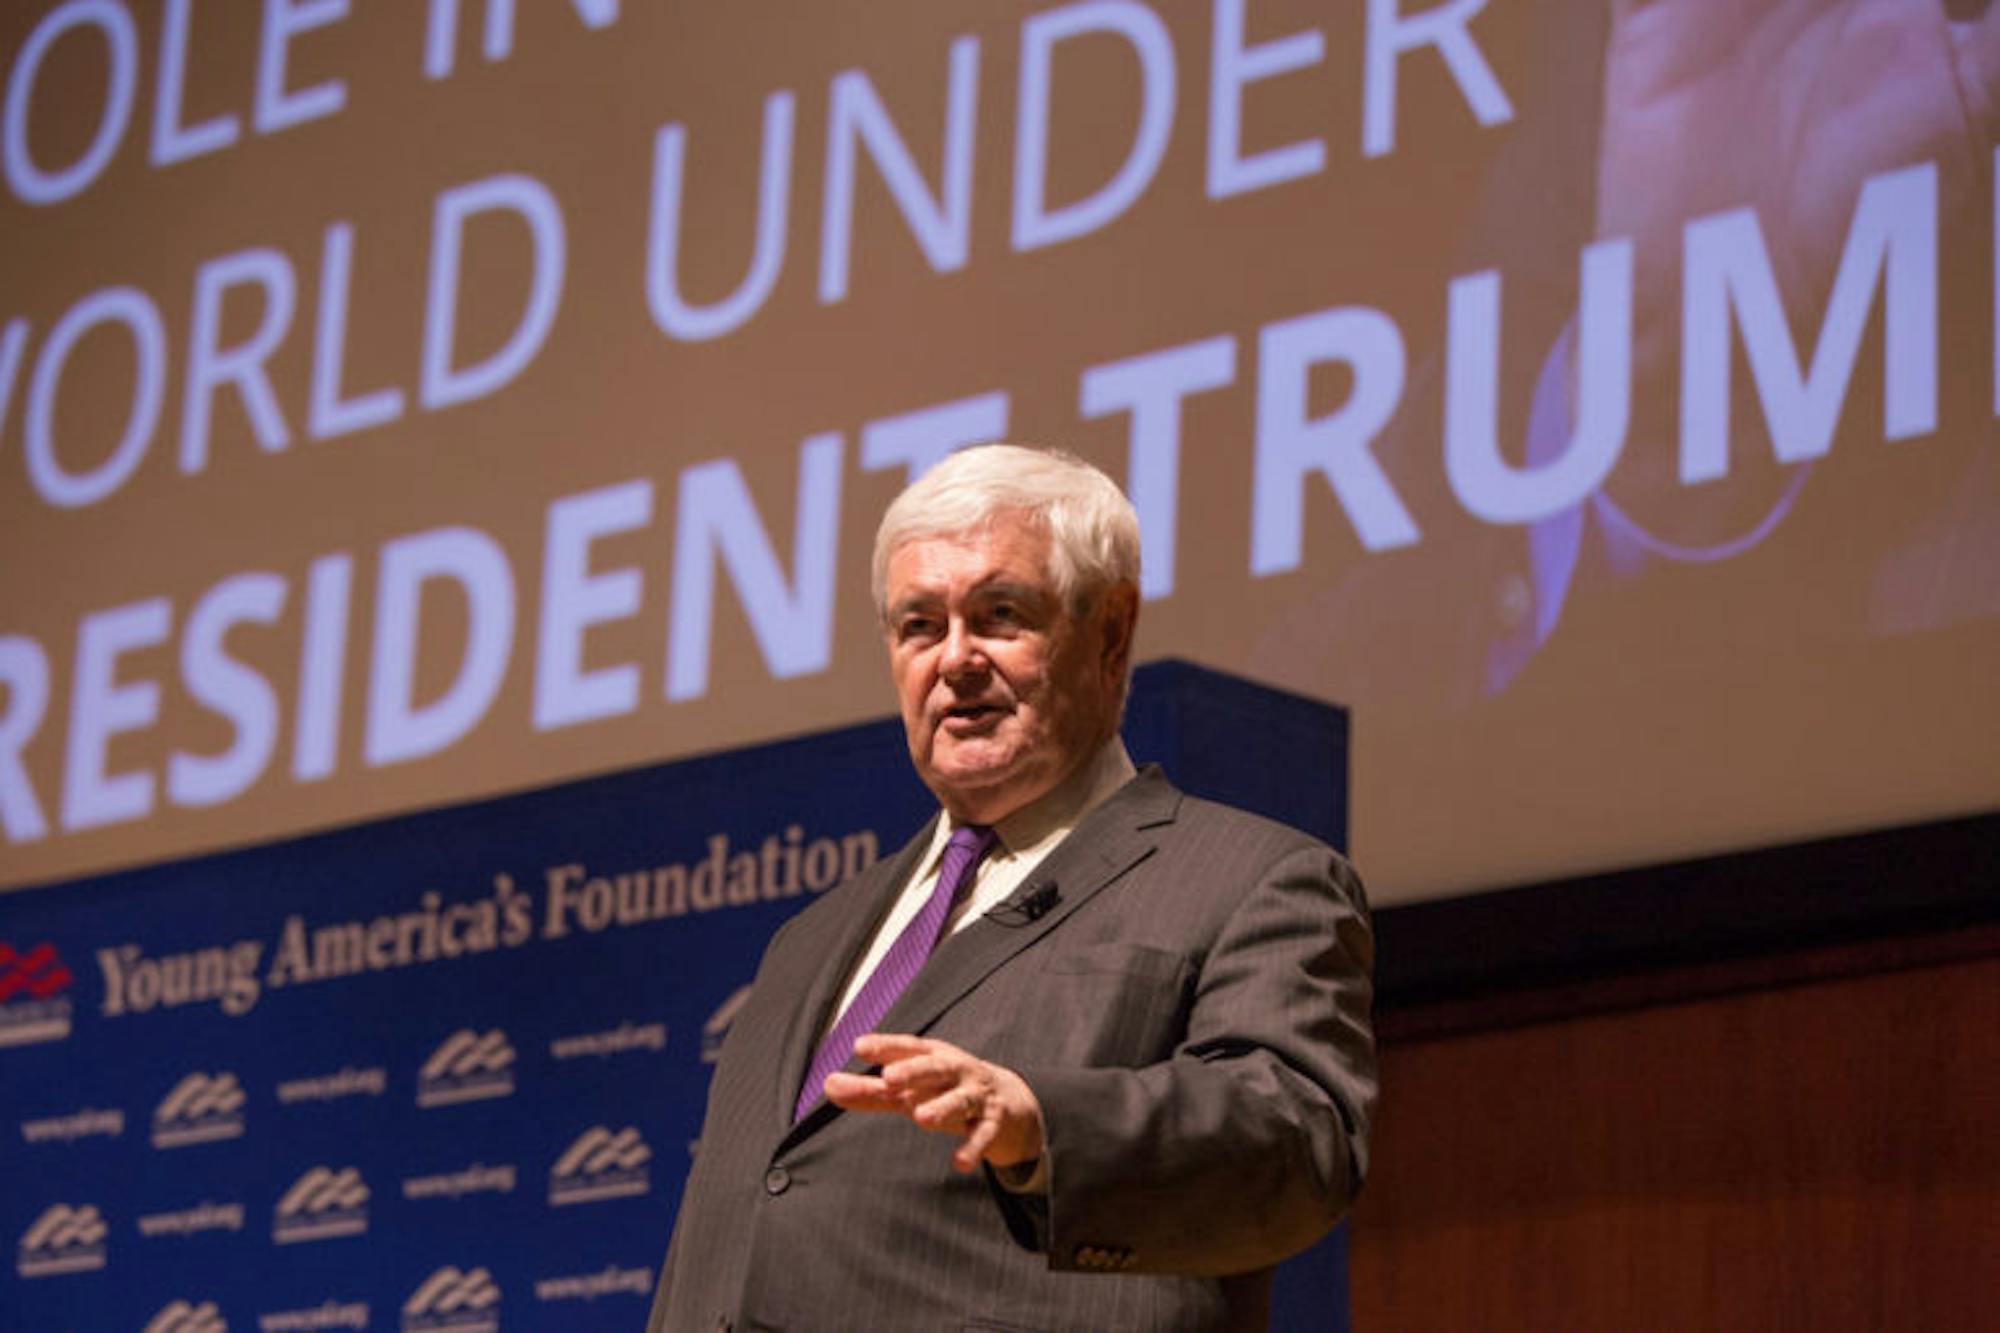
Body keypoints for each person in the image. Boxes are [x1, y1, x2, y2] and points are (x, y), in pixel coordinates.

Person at [647, 444, 1376, 1333]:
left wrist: (1045, 1120)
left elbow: (1296, 1143)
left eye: (999, 615)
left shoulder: (1251, 879)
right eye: (919, 625)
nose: (955, 660)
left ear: (1109, 635)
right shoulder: (809, 938)